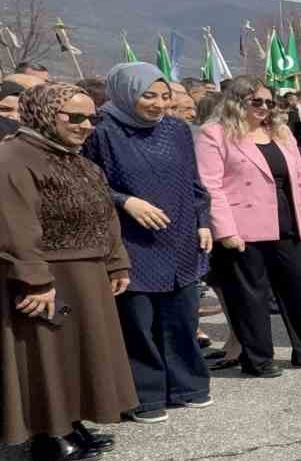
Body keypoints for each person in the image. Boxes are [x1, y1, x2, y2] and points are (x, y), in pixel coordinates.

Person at [0, 83, 136, 461]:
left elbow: (104, 215)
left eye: (92, 117)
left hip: (86, 274)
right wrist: (34, 279)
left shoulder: (75, 159)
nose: (86, 125)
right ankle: (50, 434)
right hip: (49, 276)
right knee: (47, 355)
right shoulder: (13, 157)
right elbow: (13, 223)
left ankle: (72, 421)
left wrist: (116, 260)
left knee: (81, 354)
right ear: (43, 114)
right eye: (74, 117)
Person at [81, 62, 213, 423]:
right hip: (133, 240)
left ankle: (188, 386)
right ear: (126, 93)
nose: (157, 104)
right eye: (148, 95)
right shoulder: (102, 131)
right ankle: (146, 395)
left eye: (163, 96)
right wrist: (126, 202)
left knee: (182, 316)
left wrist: (203, 221)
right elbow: (87, 186)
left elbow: (194, 182)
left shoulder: (176, 129)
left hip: (181, 236)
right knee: (139, 322)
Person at [197, 77, 301, 377]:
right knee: (251, 296)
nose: (263, 107)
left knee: (299, 290)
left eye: (269, 102)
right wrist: (226, 231)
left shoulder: (281, 131)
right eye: (256, 101)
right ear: (236, 101)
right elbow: (211, 186)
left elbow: (300, 178)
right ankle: (257, 357)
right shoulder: (215, 134)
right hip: (244, 229)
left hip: (288, 222)